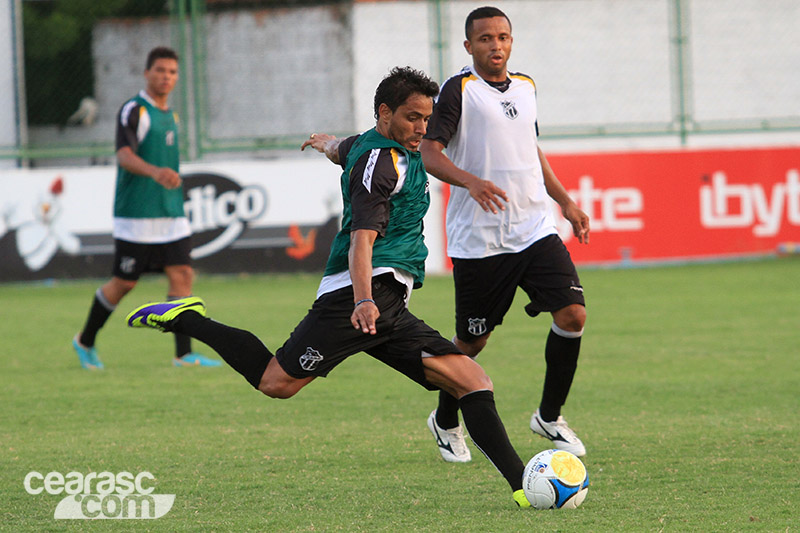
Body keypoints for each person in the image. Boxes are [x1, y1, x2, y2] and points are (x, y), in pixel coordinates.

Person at [125, 67, 534, 507]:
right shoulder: (383, 165)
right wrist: (362, 300)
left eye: (427, 118)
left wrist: (326, 144)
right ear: (385, 113)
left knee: (472, 381)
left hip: (386, 303)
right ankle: (188, 319)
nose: (423, 128)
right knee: (275, 383)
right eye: (413, 117)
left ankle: (524, 488)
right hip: (358, 297)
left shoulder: (374, 143)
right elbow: (362, 238)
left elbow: (345, 148)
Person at [420, 6, 590, 462]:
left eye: (503, 37)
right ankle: (445, 419)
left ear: (511, 42)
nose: (495, 46)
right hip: (481, 241)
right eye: (485, 39)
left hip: (534, 228)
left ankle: (549, 416)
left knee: (573, 314)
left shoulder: (527, 87)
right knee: (472, 343)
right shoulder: (460, 91)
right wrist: (469, 181)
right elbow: (429, 153)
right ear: (468, 46)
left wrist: (566, 202)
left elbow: (530, 149)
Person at [72, 46, 220, 369]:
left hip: (171, 213)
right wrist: (155, 172)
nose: (166, 77)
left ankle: (184, 354)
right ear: (147, 73)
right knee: (124, 283)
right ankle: (84, 341)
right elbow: (124, 155)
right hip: (136, 215)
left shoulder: (171, 115)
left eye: (172, 72)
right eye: (160, 70)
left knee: (182, 275)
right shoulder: (134, 111)